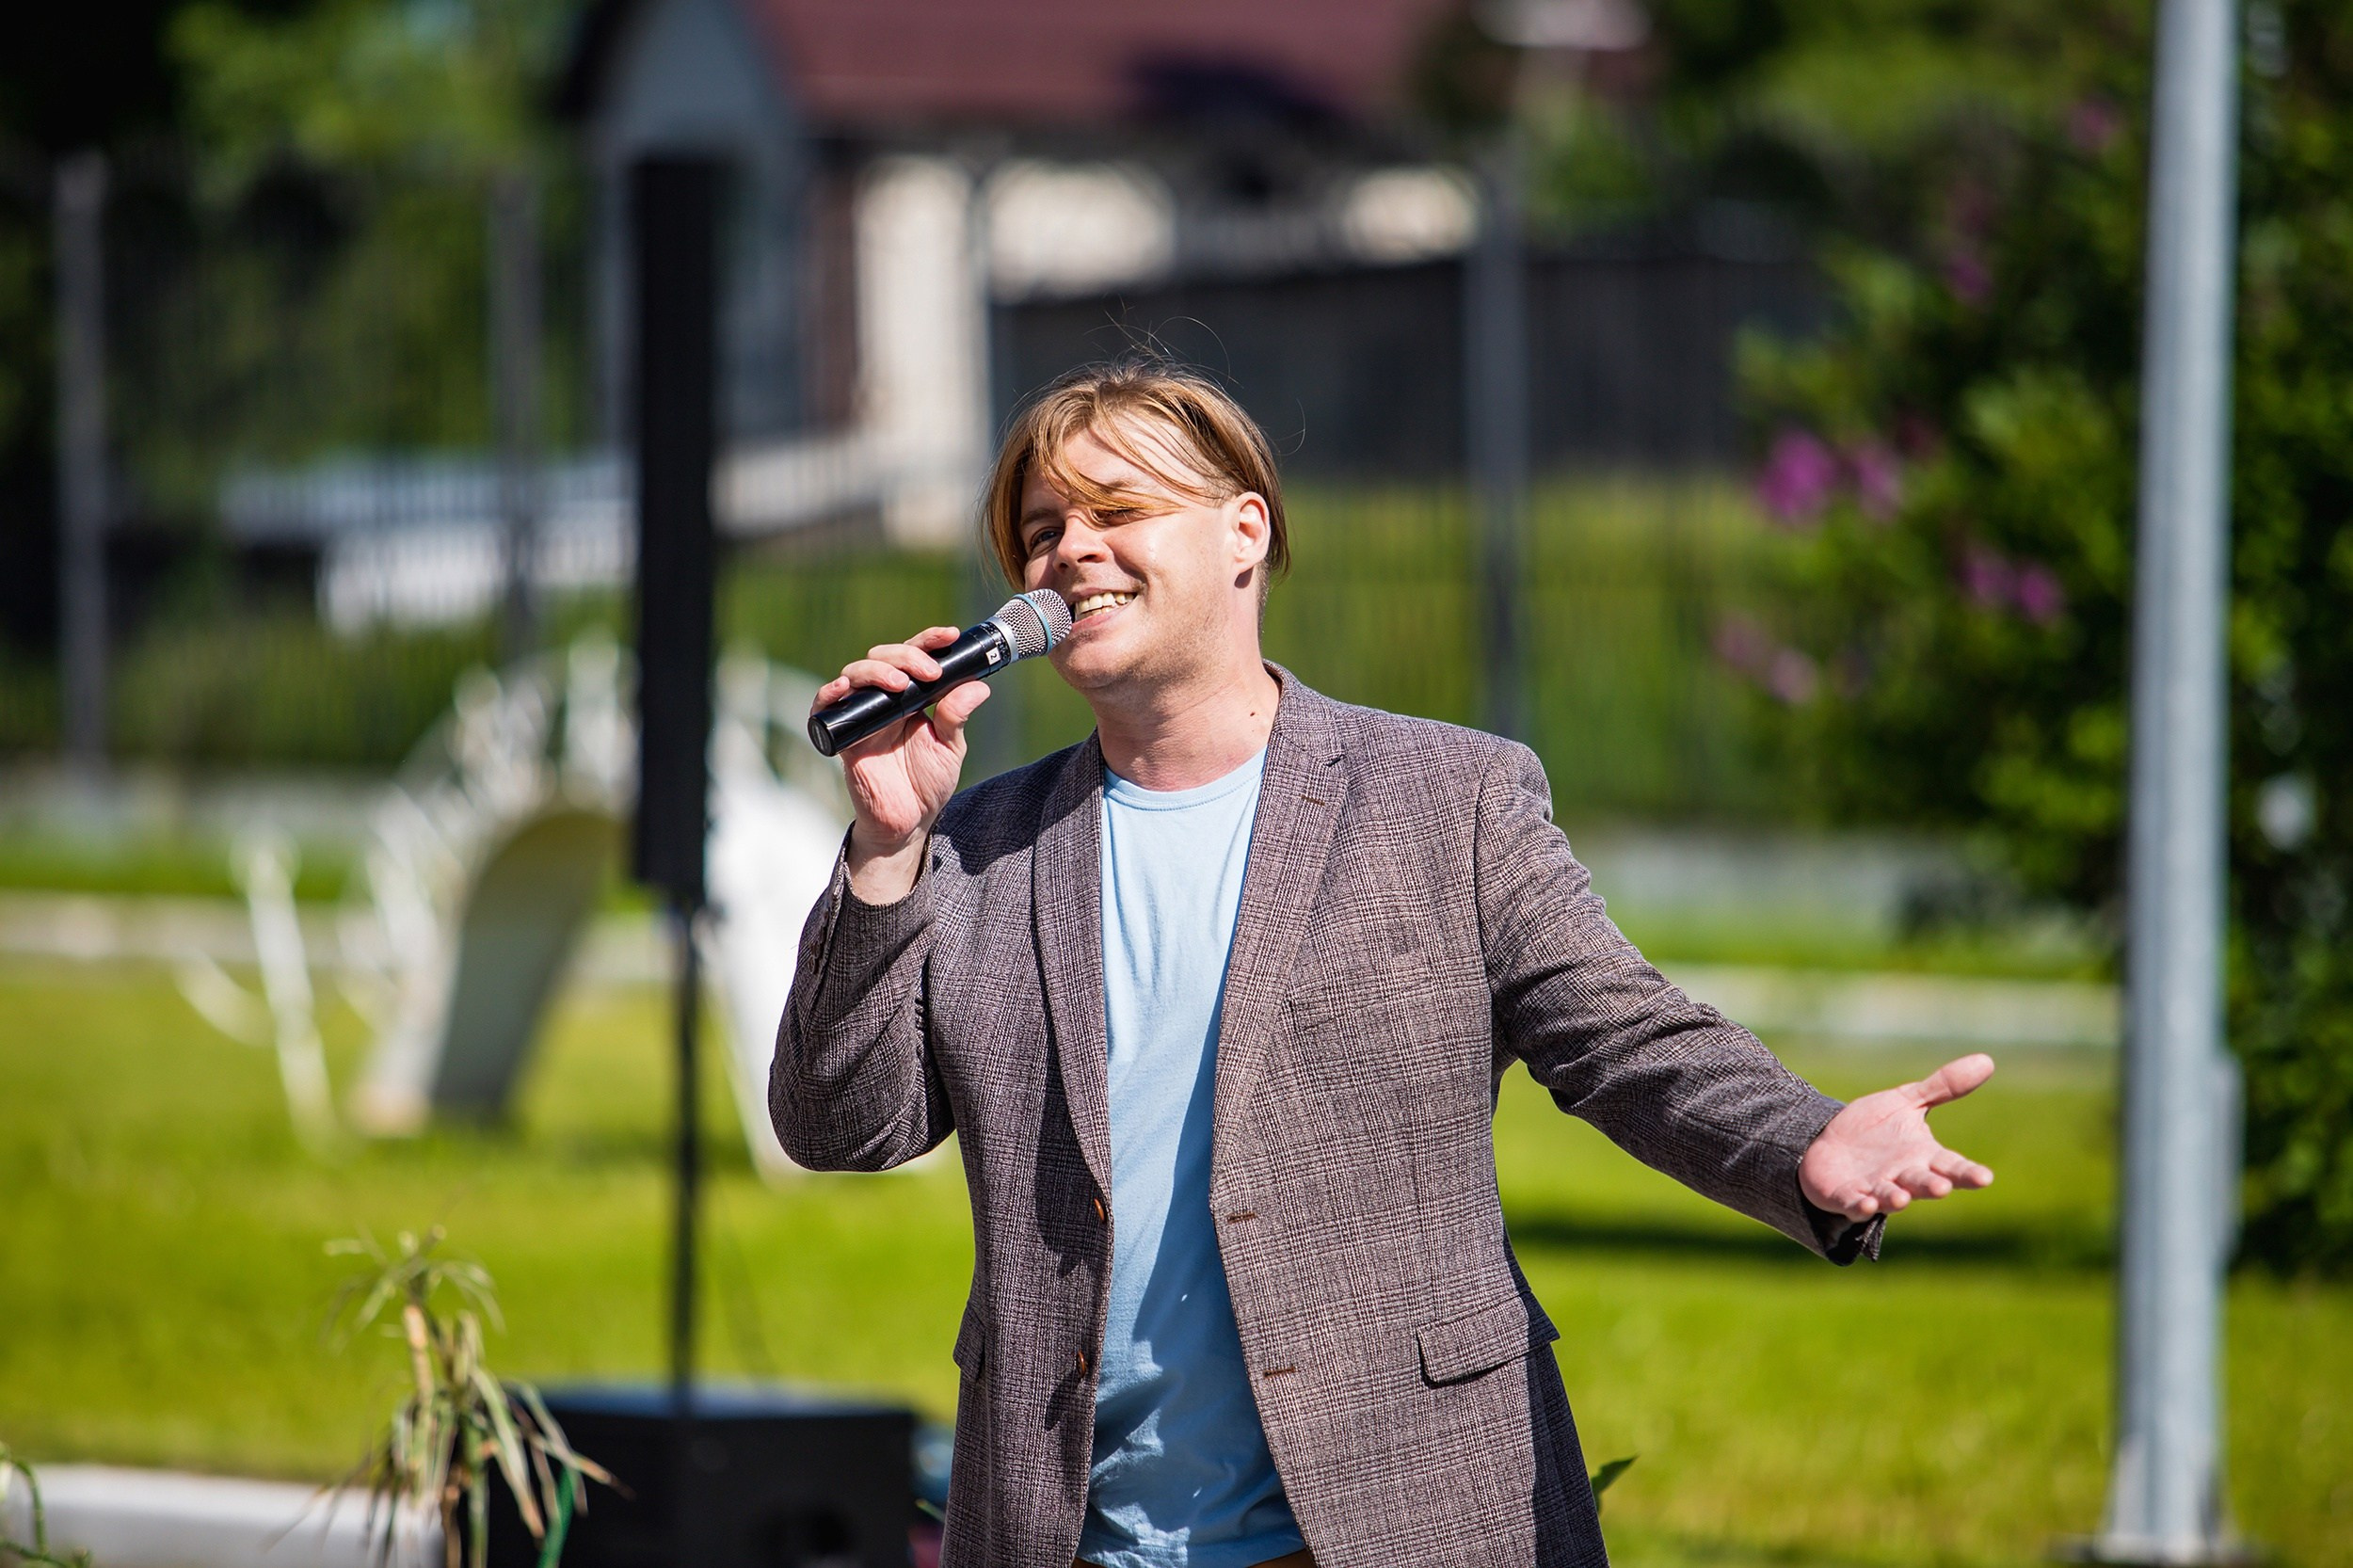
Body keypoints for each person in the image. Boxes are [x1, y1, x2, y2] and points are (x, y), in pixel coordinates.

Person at [773, 361, 1995, 1568]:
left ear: (1244, 530)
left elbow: (1627, 1041)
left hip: (1394, 1515)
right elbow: (840, 1123)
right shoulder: (979, 845)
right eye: (1042, 530)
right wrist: (886, 846)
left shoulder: (1446, 799)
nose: (1069, 552)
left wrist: (1805, 1142)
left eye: (1119, 510)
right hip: (1069, 1533)